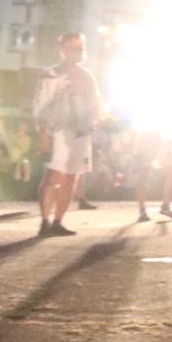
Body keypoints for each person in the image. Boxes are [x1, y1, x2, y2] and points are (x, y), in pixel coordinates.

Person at [32, 32, 102, 237]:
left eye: (82, 47)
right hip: (58, 131)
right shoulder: (51, 75)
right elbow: (39, 105)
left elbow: (95, 102)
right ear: (63, 49)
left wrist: (95, 120)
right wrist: (43, 133)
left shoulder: (87, 75)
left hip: (81, 132)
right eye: (75, 47)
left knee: (71, 177)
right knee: (53, 176)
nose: (80, 51)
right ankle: (45, 222)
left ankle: (58, 222)